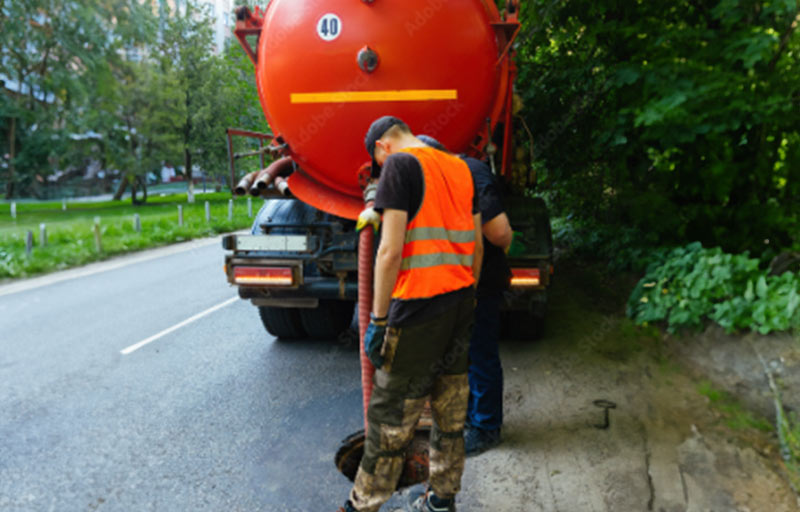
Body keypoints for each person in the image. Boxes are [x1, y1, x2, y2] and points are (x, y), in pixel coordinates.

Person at [338, 116, 483, 512]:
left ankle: (362, 505)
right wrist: (468, 296)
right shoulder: (460, 167)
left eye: (378, 164)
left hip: (416, 311)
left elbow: (389, 252)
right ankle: (442, 499)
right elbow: (476, 245)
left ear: (383, 145)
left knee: (389, 421)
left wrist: (379, 320)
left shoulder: (400, 165)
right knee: (450, 414)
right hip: (459, 303)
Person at [417, 135, 512, 456]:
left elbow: (499, 232)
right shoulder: (449, 174)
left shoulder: (471, 171)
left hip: (479, 282)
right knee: (465, 354)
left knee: (479, 353)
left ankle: (486, 427)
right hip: (455, 283)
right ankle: (473, 420)